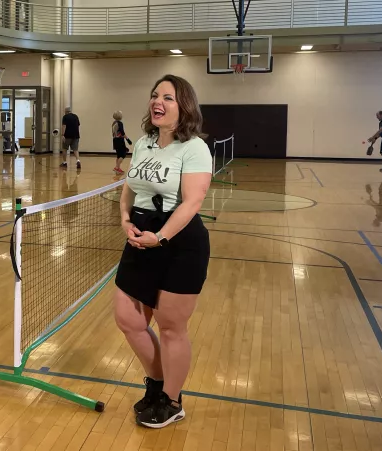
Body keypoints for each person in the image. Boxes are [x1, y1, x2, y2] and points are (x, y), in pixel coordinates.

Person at [113, 74, 212, 429]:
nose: (158, 102)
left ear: (184, 106)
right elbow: (129, 186)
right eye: (155, 95)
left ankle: (172, 400)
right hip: (140, 237)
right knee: (128, 318)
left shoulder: (195, 148)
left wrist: (162, 237)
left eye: (168, 98)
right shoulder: (143, 143)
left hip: (179, 244)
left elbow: (193, 202)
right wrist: (125, 219)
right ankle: (156, 384)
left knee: (171, 327)